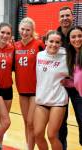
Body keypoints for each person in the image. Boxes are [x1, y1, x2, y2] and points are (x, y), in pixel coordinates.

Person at [34, 30, 69, 150]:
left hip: (58, 101)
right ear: (45, 42)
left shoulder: (66, 55)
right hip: (42, 100)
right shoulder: (39, 55)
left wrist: (71, 82)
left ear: (60, 44)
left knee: (52, 135)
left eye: (57, 42)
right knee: (38, 134)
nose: (54, 44)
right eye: (51, 41)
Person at [14, 17, 45, 149]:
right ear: (19, 29)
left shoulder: (39, 44)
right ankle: (29, 147)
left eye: (28, 30)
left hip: (36, 90)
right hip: (21, 90)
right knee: (26, 122)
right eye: (23, 29)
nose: (25, 32)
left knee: (31, 122)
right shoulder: (15, 46)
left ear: (32, 31)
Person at [0, 22, 14, 150]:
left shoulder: (12, 48)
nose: (5, 35)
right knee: (5, 120)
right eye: (3, 32)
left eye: (8, 33)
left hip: (8, 88)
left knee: (1, 121)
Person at [57, 6, 74, 150]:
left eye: (67, 15)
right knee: (60, 122)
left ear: (72, 16)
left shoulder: (78, 34)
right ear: (59, 18)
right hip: (60, 86)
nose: (65, 18)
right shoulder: (54, 37)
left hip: (78, 86)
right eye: (62, 16)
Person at [62, 26, 82, 147]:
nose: (77, 39)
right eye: (73, 37)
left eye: (80, 36)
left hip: (80, 94)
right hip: (71, 91)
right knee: (61, 124)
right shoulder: (69, 54)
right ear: (69, 40)